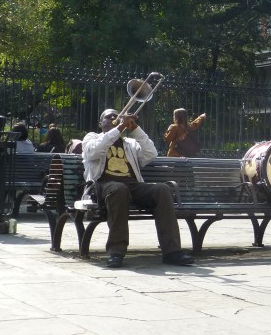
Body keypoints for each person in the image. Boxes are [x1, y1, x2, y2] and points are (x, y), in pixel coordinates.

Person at [82, 108, 195, 268]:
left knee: (162, 190)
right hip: (103, 184)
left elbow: (151, 153)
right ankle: (116, 252)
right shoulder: (92, 137)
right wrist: (119, 128)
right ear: (101, 123)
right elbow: (92, 152)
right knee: (118, 189)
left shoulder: (130, 143)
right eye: (109, 117)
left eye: (117, 116)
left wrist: (134, 128)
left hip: (132, 185)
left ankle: (172, 252)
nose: (114, 118)